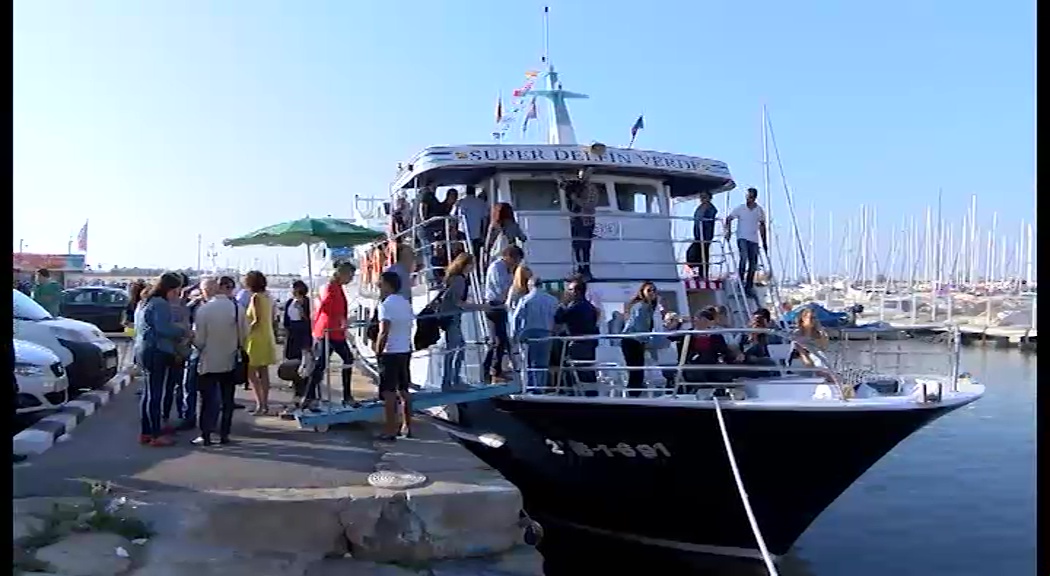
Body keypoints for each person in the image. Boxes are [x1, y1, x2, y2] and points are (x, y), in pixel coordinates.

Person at [192, 276, 247, 446]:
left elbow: (199, 340)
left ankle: (206, 434)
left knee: (208, 399)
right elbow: (245, 335)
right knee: (227, 400)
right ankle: (224, 434)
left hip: (208, 360)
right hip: (230, 359)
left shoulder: (204, 310)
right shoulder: (238, 309)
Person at [138, 273, 189, 447]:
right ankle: (155, 434)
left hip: (145, 350)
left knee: (148, 393)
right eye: (177, 290)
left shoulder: (147, 301)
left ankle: (146, 432)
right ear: (171, 289)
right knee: (155, 394)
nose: (178, 294)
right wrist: (183, 331)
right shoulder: (161, 304)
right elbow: (163, 328)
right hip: (157, 351)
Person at [304, 263, 357, 410]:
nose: (351, 279)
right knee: (342, 360)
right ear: (342, 274)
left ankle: (309, 396)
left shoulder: (335, 287)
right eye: (350, 275)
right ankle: (345, 396)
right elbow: (326, 307)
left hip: (333, 330)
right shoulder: (330, 288)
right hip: (330, 331)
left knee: (323, 364)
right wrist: (341, 320)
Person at [374, 271, 414, 441]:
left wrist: (377, 351)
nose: (378, 286)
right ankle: (407, 426)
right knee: (404, 390)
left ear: (388, 285)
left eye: (380, 283)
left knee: (389, 393)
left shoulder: (386, 305)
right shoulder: (406, 303)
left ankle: (390, 430)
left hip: (390, 352)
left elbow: (384, 331)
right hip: (405, 349)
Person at [437, 253, 487, 390]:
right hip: (453, 318)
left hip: (450, 317)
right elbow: (458, 302)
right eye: (472, 264)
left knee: (454, 349)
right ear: (466, 265)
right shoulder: (459, 280)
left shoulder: (453, 278)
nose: (473, 267)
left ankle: (450, 380)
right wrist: (479, 306)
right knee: (457, 349)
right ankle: (452, 381)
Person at [510, 274, 559, 391]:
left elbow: (516, 317)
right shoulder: (553, 300)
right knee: (542, 363)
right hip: (547, 333)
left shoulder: (526, 299)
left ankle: (530, 387)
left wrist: (514, 334)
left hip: (529, 334)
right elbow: (558, 318)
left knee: (529, 363)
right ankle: (540, 388)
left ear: (530, 285)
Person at [482, 246, 524, 383]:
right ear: (509, 256)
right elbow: (502, 288)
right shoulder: (497, 267)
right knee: (498, 341)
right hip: (494, 305)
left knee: (501, 340)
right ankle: (492, 371)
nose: (516, 263)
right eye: (516, 260)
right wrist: (514, 287)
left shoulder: (507, 269)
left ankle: (494, 369)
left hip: (501, 306)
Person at [554, 275, 601, 396]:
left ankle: (576, 394)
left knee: (578, 370)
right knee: (588, 370)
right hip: (590, 343)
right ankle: (592, 394)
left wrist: (562, 304)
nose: (568, 293)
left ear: (577, 291)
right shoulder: (590, 307)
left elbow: (559, 318)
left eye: (570, 290)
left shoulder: (575, 306)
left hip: (578, 344)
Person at [244, 271, 277, 415]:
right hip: (267, 336)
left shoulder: (256, 297)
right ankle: (264, 404)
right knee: (264, 372)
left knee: (251, 373)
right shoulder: (268, 296)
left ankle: (260, 404)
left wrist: (245, 331)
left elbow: (256, 320)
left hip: (256, 338)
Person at [724, 187, 768, 298]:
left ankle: (748, 286)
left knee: (753, 264)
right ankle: (740, 282)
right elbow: (729, 218)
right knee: (743, 258)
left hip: (754, 240)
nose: (749, 199)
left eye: (751, 197)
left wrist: (764, 242)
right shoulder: (740, 208)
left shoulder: (759, 210)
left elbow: (762, 226)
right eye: (747, 197)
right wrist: (728, 231)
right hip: (742, 237)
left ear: (755, 197)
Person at [621, 281, 659, 397]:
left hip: (634, 340)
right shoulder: (642, 306)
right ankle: (633, 395)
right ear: (642, 292)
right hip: (632, 340)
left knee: (636, 370)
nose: (652, 293)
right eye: (649, 290)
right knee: (636, 370)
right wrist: (646, 341)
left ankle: (634, 394)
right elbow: (639, 325)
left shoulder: (647, 307)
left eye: (654, 290)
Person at [560, 168, 599, 279]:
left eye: (584, 175)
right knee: (577, 246)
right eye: (580, 175)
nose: (581, 177)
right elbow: (565, 187)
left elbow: (590, 204)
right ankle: (579, 271)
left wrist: (575, 198)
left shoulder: (591, 188)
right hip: (576, 219)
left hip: (586, 221)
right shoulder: (578, 186)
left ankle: (586, 272)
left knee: (585, 247)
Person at [688, 191, 718, 279]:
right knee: (693, 254)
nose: (702, 199)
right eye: (701, 197)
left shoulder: (711, 208)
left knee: (703, 255)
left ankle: (703, 274)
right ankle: (697, 272)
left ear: (709, 198)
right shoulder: (700, 208)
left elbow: (709, 219)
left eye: (704, 197)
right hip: (698, 235)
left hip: (705, 235)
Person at [455, 185, 489, 260]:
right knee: (476, 255)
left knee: (463, 254)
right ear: (474, 192)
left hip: (463, 232)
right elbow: (484, 219)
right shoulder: (481, 202)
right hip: (477, 233)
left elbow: (456, 218)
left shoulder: (461, 202)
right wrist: (483, 234)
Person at [283, 280, 312, 361]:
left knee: (302, 353)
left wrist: (300, 308)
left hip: (302, 328)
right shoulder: (290, 301)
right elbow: (286, 316)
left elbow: (308, 317)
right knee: (290, 353)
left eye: (293, 288)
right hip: (291, 328)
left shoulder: (306, 301)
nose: (292, 290)